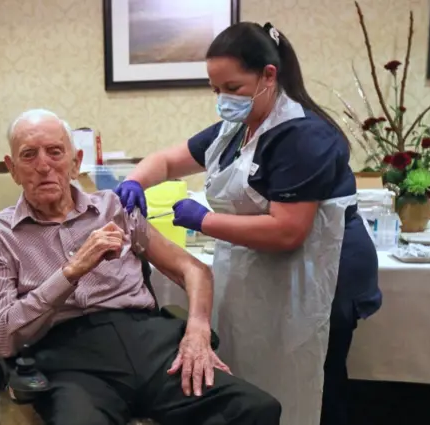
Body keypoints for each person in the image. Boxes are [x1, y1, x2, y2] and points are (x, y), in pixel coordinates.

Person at [114, 22, 382, 425]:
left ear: (268, 76)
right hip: (267, 263)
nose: (222, 99)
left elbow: (288, 231)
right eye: (214, 88)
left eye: (233, 88)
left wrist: (204, 220)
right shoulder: (235, 128)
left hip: (323, 268)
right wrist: (134, 180)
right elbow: (169, 161)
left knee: (313, 377)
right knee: (261, 369)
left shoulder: (303, 136)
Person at [0, 109, 281, 425]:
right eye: (28, 155)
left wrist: (198, 330)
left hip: (149, 346)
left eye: (55, 152)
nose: (43, 165)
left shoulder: (115, 208)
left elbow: (193, 269)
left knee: (256, 409)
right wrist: (71, 271)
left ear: (75, 162)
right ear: (13, 169)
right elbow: (0, 336)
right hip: (70, 361)